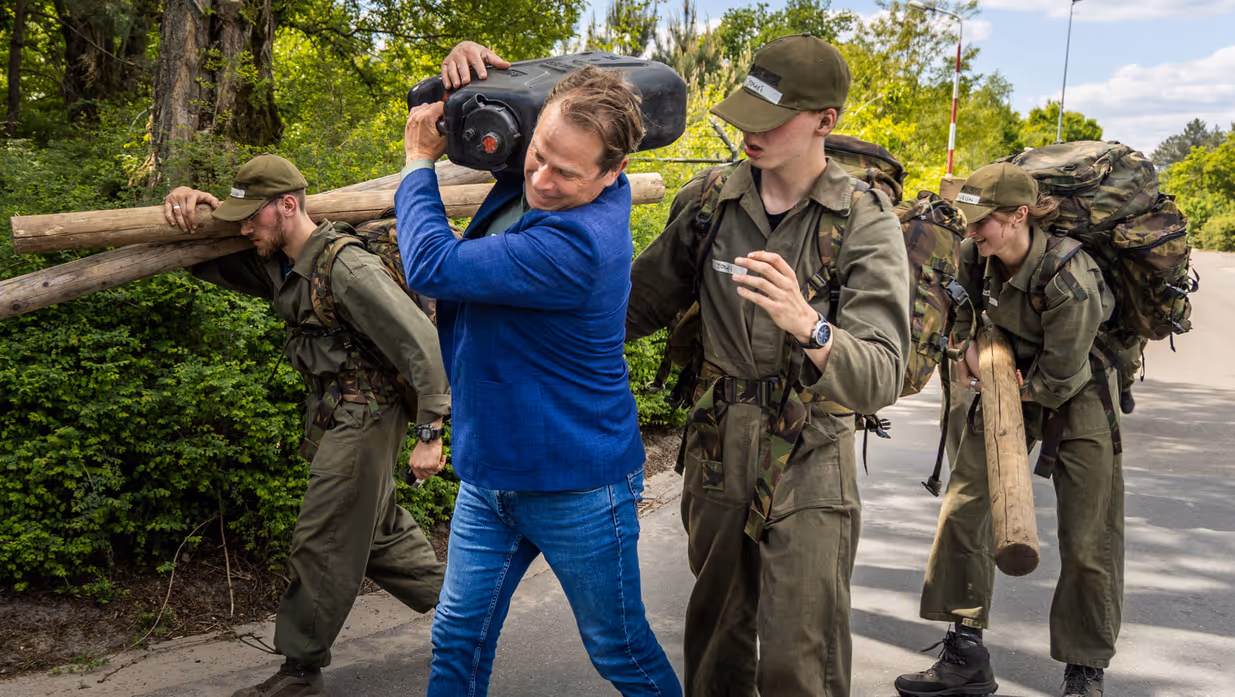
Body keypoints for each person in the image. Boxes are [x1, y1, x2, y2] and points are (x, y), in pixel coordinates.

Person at [626, 34, 911, 697]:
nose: (749, 133)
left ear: (824, 121)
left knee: (797, 660)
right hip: (717, 444)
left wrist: (808, 323)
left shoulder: (863, 220)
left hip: (810, 451)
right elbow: (631, 308)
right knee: (716, 648)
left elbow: (880, 375)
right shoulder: (709, 202)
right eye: (746, 114)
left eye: (771, 120)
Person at [395, 42, 681, 697]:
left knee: (620, 650)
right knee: (456, 639)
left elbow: (431, 265)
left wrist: (417, 162)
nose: (542, 180)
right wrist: (468, 74)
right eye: (538, 153)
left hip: (576, 485)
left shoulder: (578, 244)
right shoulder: (542, 176)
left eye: (566, 172)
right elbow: (487, 131)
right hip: (491, 472)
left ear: (614, 172)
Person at [163, 154, 449, 697]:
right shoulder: (280, 261)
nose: (244, 229)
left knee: (323, 540)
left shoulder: (346, 268)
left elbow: (423, 345)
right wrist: (192, 203)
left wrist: (430, 434)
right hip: (336, 413)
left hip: (367, 414)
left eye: (253, 216)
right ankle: (469, 606)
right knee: (377, 535)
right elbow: (202, 258)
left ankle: (300, 672)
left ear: (288, 206)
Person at [894, 163, 1122, 697]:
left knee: (1090, 535)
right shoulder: (975, 254)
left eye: (983, 222)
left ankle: (1085, 669)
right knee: (964, 509)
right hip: (1006, 379)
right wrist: (967, 352)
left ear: (1020, 215)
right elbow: (960, 313)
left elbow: (1061, 376)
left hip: (1078, 393)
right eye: (969, 221)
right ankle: (965, 653)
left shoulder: (1069, 276)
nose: (971, 231)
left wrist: (1010, 387)